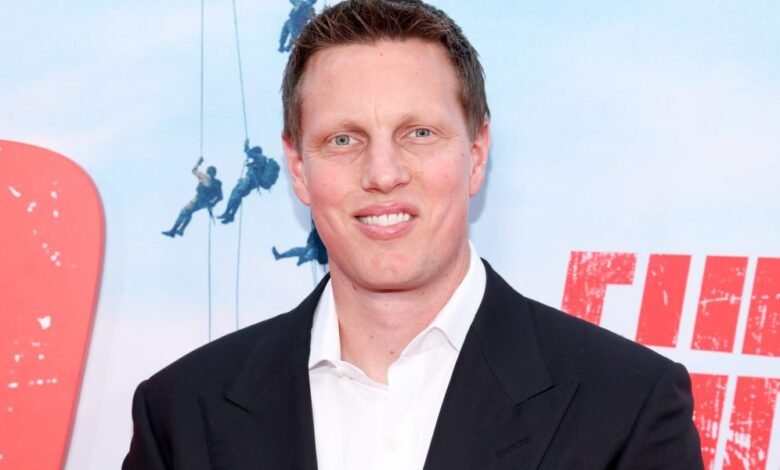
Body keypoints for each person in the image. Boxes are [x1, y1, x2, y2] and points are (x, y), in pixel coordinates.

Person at [126, 1, 704, 469]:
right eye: (343, 140)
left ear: (476, 154)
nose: (383, 174)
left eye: (419, 133)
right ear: (298, 169)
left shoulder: (628, 405)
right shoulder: (179, 412)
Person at [217, 140, 280, 224]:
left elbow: (248, 153)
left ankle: (228, 213)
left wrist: (246, 145)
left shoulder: (260, 157)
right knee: (237, 195)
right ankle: (230, 215)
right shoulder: (261, 159)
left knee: (236, 194)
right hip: (251, 181)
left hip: (250, 180)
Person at [161, 157, 222, 237]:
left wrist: (199, 162)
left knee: (184, 211)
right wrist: (212, 203)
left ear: (208, 171)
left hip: (198, 199)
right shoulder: (217, 183)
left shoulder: (204, 176)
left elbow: (193, 170)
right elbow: (220, 197)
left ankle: (173, 230)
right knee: (189, 212)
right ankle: (181, 230)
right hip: (205, 203)